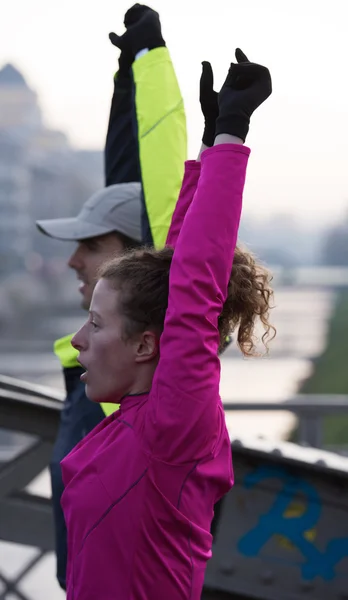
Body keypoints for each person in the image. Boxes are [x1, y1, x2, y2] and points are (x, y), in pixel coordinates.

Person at [61, 49, 272, 599]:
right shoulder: (134, 420)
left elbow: (196, 286)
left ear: (146, 345)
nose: (79, 342)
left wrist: (232, 135)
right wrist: (205, 147)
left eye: (95, 326)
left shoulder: (171, 429)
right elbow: (176, 269)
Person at [36, 5, 187, 590]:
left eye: (90, 245)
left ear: (139, 256)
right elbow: (127, 173)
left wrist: (150, 63)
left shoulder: (147, 385)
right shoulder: (99, 372)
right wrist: (127, 75)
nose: (73, 260)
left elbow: (159, 182)